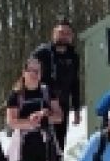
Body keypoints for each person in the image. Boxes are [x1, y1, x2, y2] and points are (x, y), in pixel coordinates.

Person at [6, 58, 64, 161]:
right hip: (25, 145)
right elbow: (11, 122)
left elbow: (59, 116)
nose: (34, 74)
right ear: (24, 72)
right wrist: (30, 122)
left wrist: (45, 116)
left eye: (37, 71)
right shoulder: (16, 95)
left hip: (46, 143)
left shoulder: (47, 92)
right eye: (30, 70)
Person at [32, 18, 81, 153]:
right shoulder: (42, 53)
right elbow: (28, 76)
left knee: (58, 146)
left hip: (62, 106)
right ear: (53, 34)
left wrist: (76, 109)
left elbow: (75, 83)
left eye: (67, 33)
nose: (64, 36)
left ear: (71, 36)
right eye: (61, 32)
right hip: (41, 104)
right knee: (41, 145)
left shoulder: (73, 57)